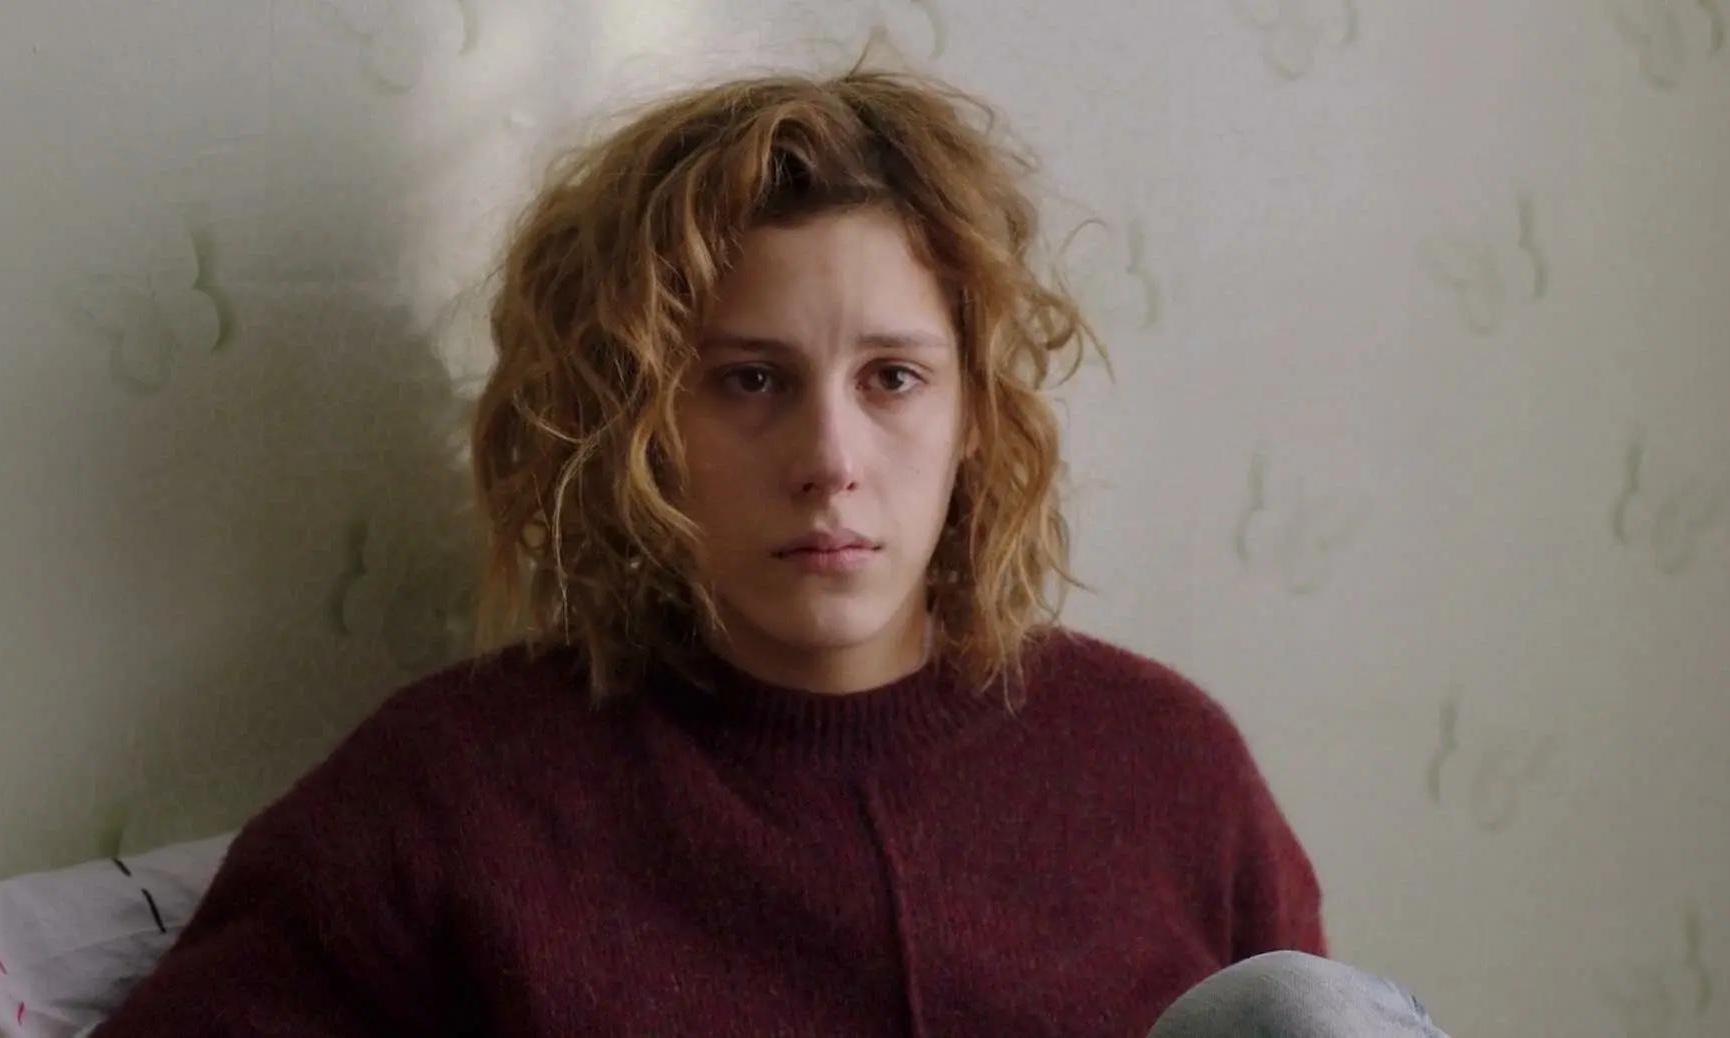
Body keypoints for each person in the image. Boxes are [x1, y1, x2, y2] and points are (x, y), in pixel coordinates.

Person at [94, 68, 1446, 1036]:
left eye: (893, 379)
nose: (830, 457)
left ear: (974, 412)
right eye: (750, 381)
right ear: (640, 418)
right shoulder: (448, 796)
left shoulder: (1165, 766)